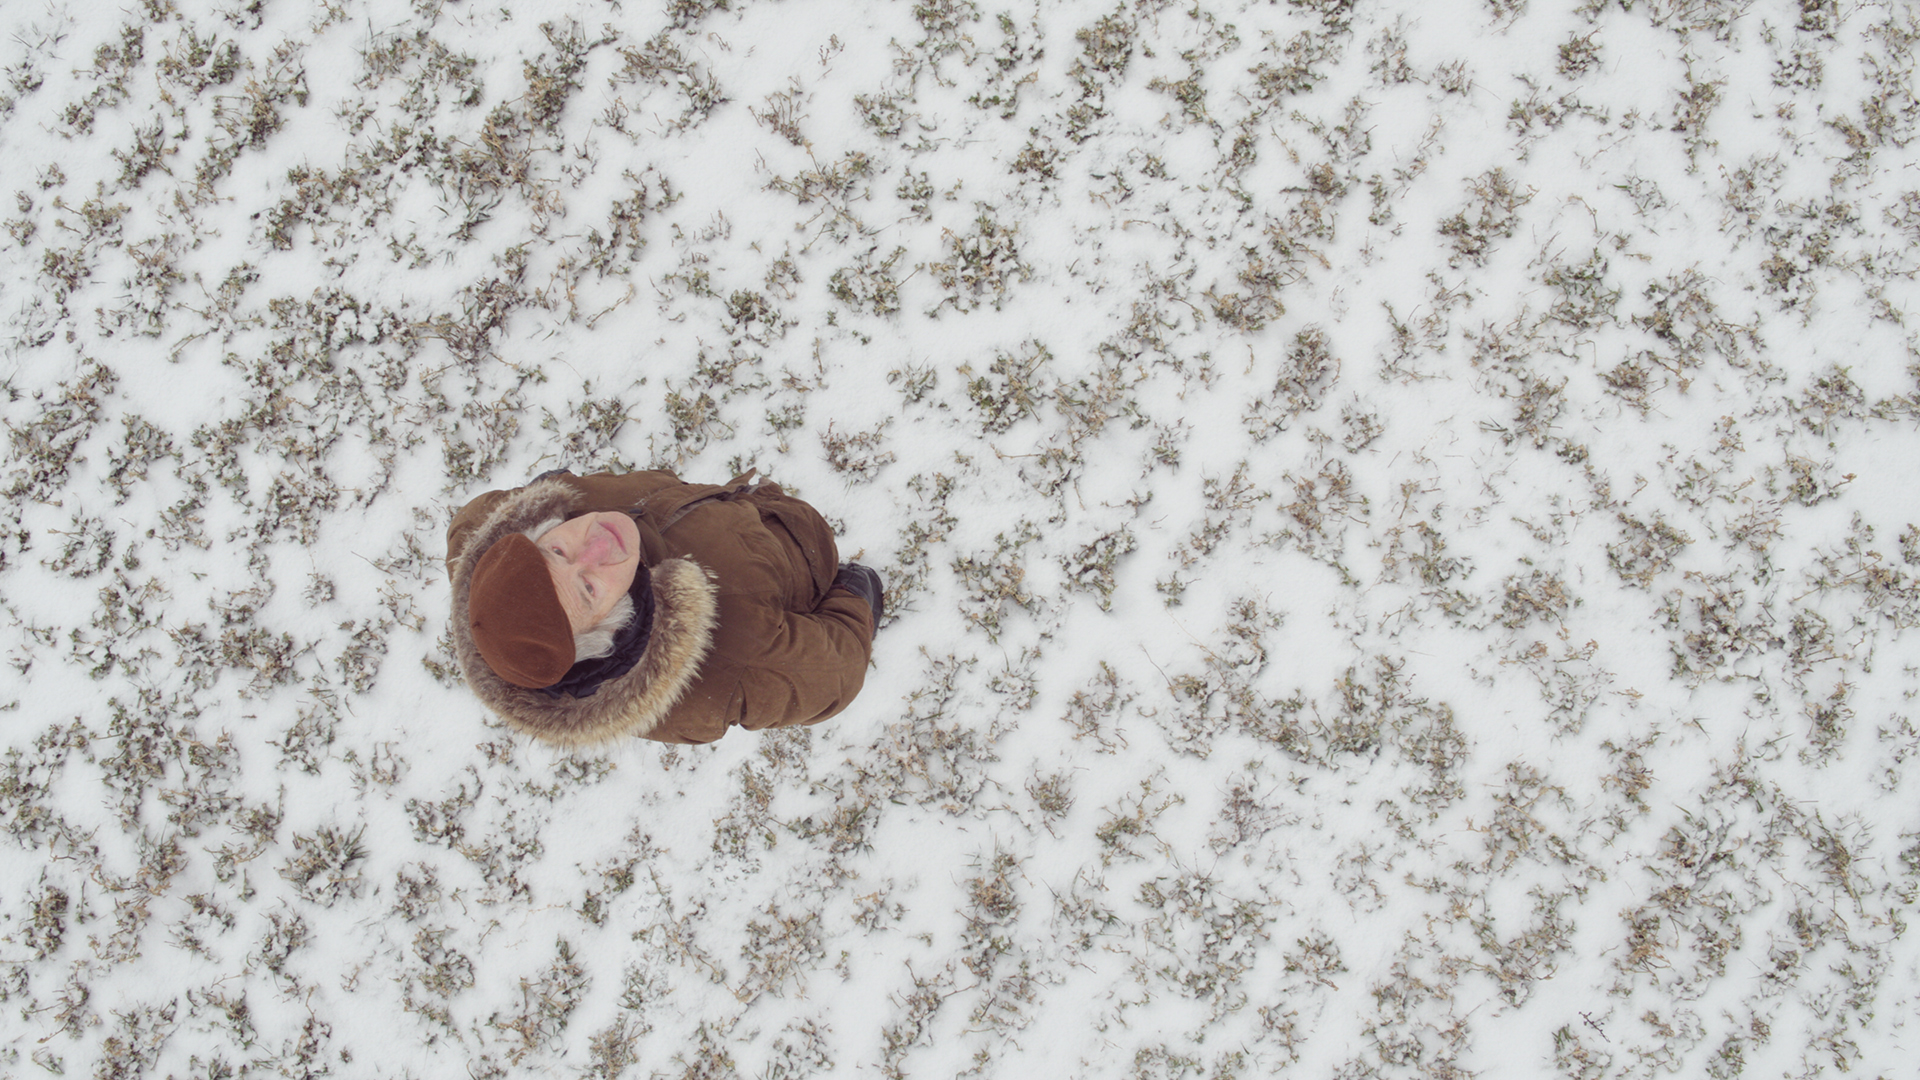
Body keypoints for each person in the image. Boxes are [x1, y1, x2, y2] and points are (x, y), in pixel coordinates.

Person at [445, 468, 882, 746]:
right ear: (608, 636)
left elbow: (470, 525)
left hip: (727, 510)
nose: (596, 544)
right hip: (799, 553)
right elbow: (834, 676)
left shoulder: (511, 541)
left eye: (556, 551)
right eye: (589, 590)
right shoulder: (734, 657)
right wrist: (853, 598)